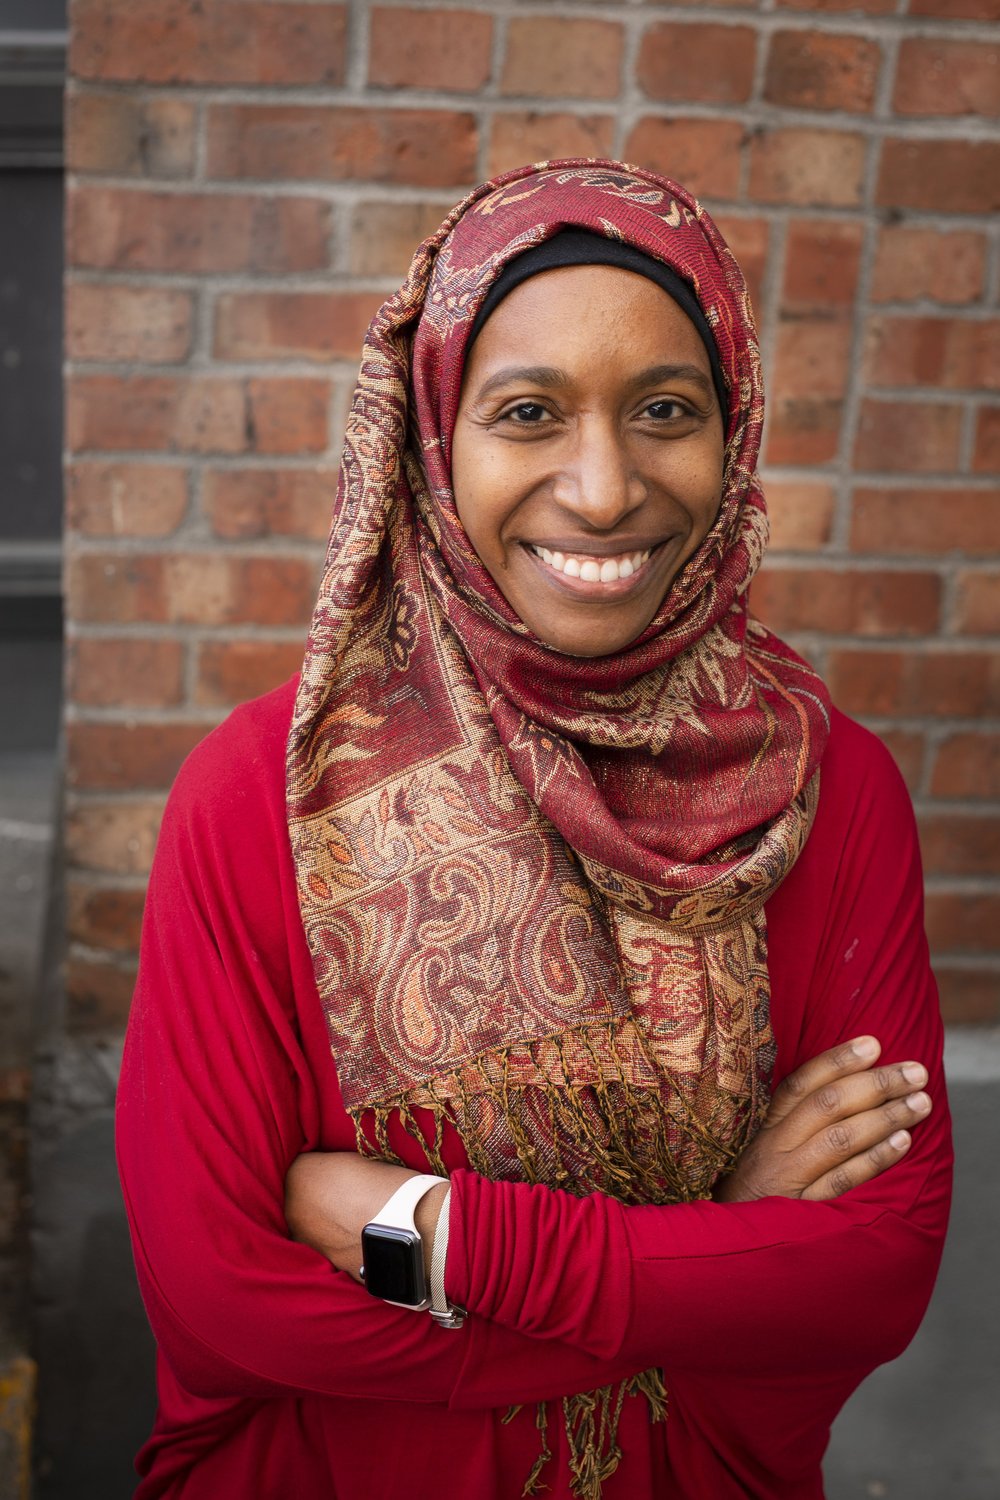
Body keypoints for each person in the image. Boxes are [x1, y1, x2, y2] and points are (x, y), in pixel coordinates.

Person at [116, 160, 952, 1500]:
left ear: (732, 436)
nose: (607, 488)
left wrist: (440, 1239)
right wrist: (718, 1249)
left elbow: (877, 1276)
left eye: (665, 410)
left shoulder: (825, 790)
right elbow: (227, 1300)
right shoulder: (256, 803)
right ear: (433, 442)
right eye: (527, 413)